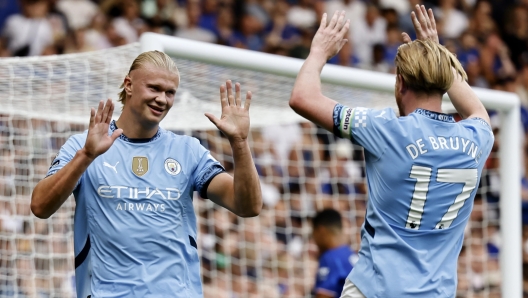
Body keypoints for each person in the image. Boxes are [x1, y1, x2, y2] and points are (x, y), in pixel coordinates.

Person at [289, 6, 493, 298]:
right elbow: (476, 109)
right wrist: (438, 55)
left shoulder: (386, 129)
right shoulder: (477, 138)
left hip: (375, 289)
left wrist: (319, 52)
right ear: (445, 80)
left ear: (400, 83)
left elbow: (302, 97)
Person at [30, 51, 262, 297]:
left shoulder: (188, 150)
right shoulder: (84, 145)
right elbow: (40, 206)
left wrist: (239, 142)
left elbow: (248, 207)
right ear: (128, 85)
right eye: (154, 88)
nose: (162, 99)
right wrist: (86, 156)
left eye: (170, 92)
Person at [312, 209, 356, 298]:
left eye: (313, 233)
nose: (314, 238)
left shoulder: (330, 258)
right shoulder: (350, 254)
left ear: (321, 231)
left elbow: (324, 295)